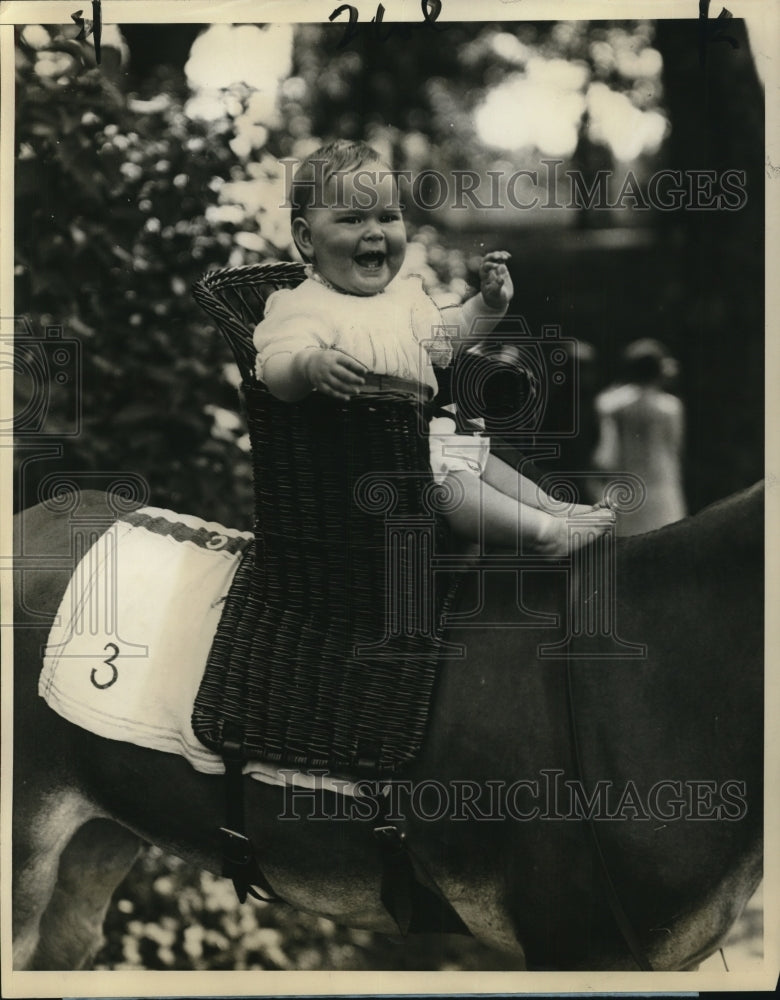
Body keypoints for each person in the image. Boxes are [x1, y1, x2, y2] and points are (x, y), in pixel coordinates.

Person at [253, 140, 613, 555]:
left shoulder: (402, 300)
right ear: (306, 237)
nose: (374, 231)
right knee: (451, 483)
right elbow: (274, 368)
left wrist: (488, 304)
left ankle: (556, 510)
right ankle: (543, 533)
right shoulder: (304, 306)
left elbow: (451, 334)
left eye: (387, 217)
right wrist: (307, 364)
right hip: (362, 462)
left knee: (483, 460)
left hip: (419, 440)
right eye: (351, 219)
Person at [592, 338, 686, 536]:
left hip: (626, 487)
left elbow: (605, 455)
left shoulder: (610, 404)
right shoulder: (671, 407)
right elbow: (676, 447)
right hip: (661, 485)